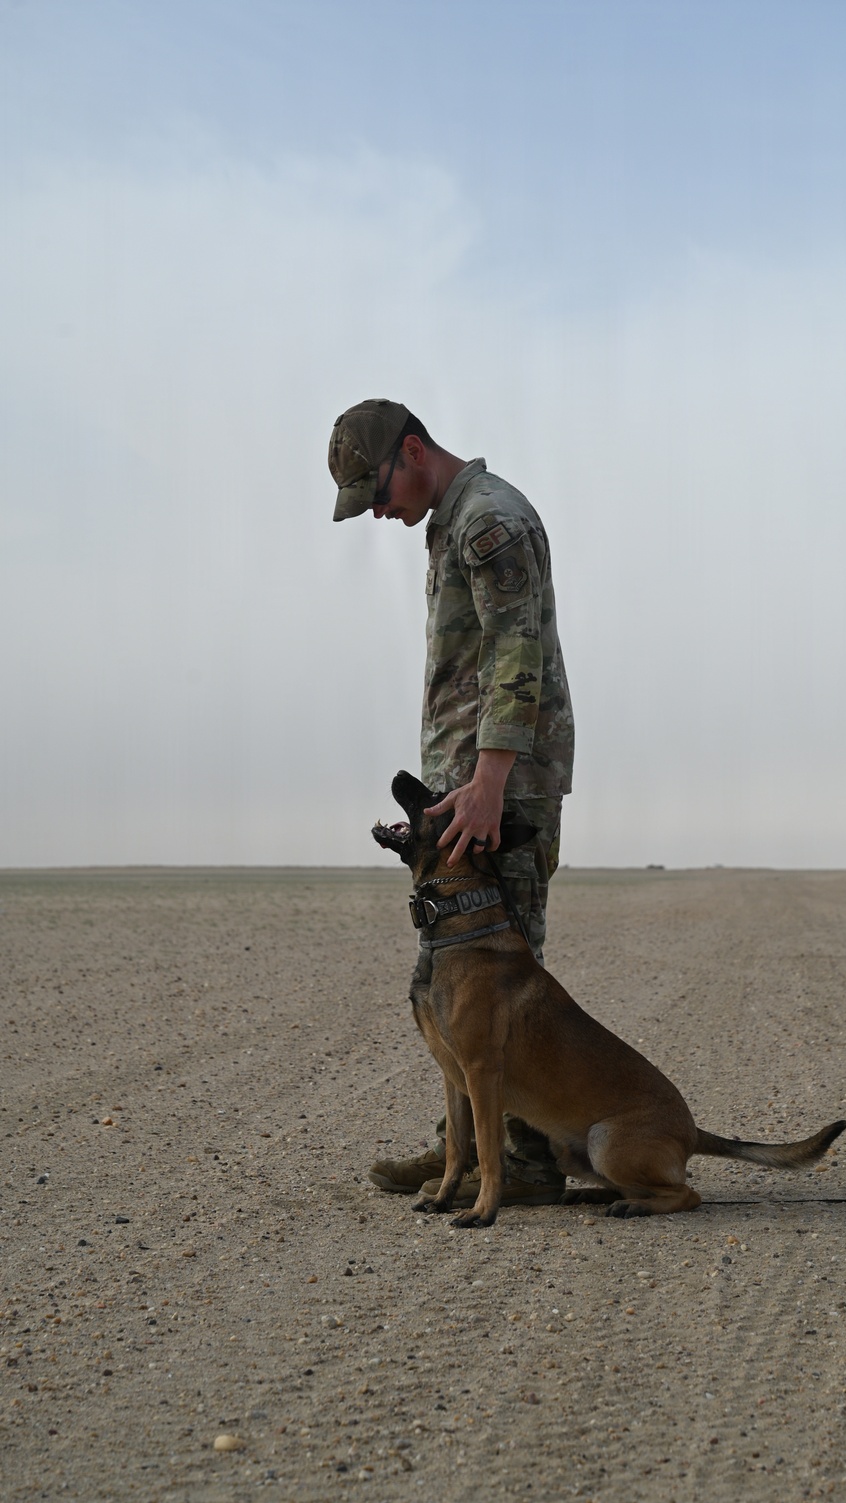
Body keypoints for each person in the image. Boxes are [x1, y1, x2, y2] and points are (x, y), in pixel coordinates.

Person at [328, 398, 574, 1206]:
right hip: (465, 786)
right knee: (451, 972)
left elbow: (517, 650)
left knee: (497, 975)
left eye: (379, 494)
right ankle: (463, 1153)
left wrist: (493, 780)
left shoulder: (489, 520)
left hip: (500, 785)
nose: (382, 513)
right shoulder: (452, 521)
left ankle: (522, 1163)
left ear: (412, 451)